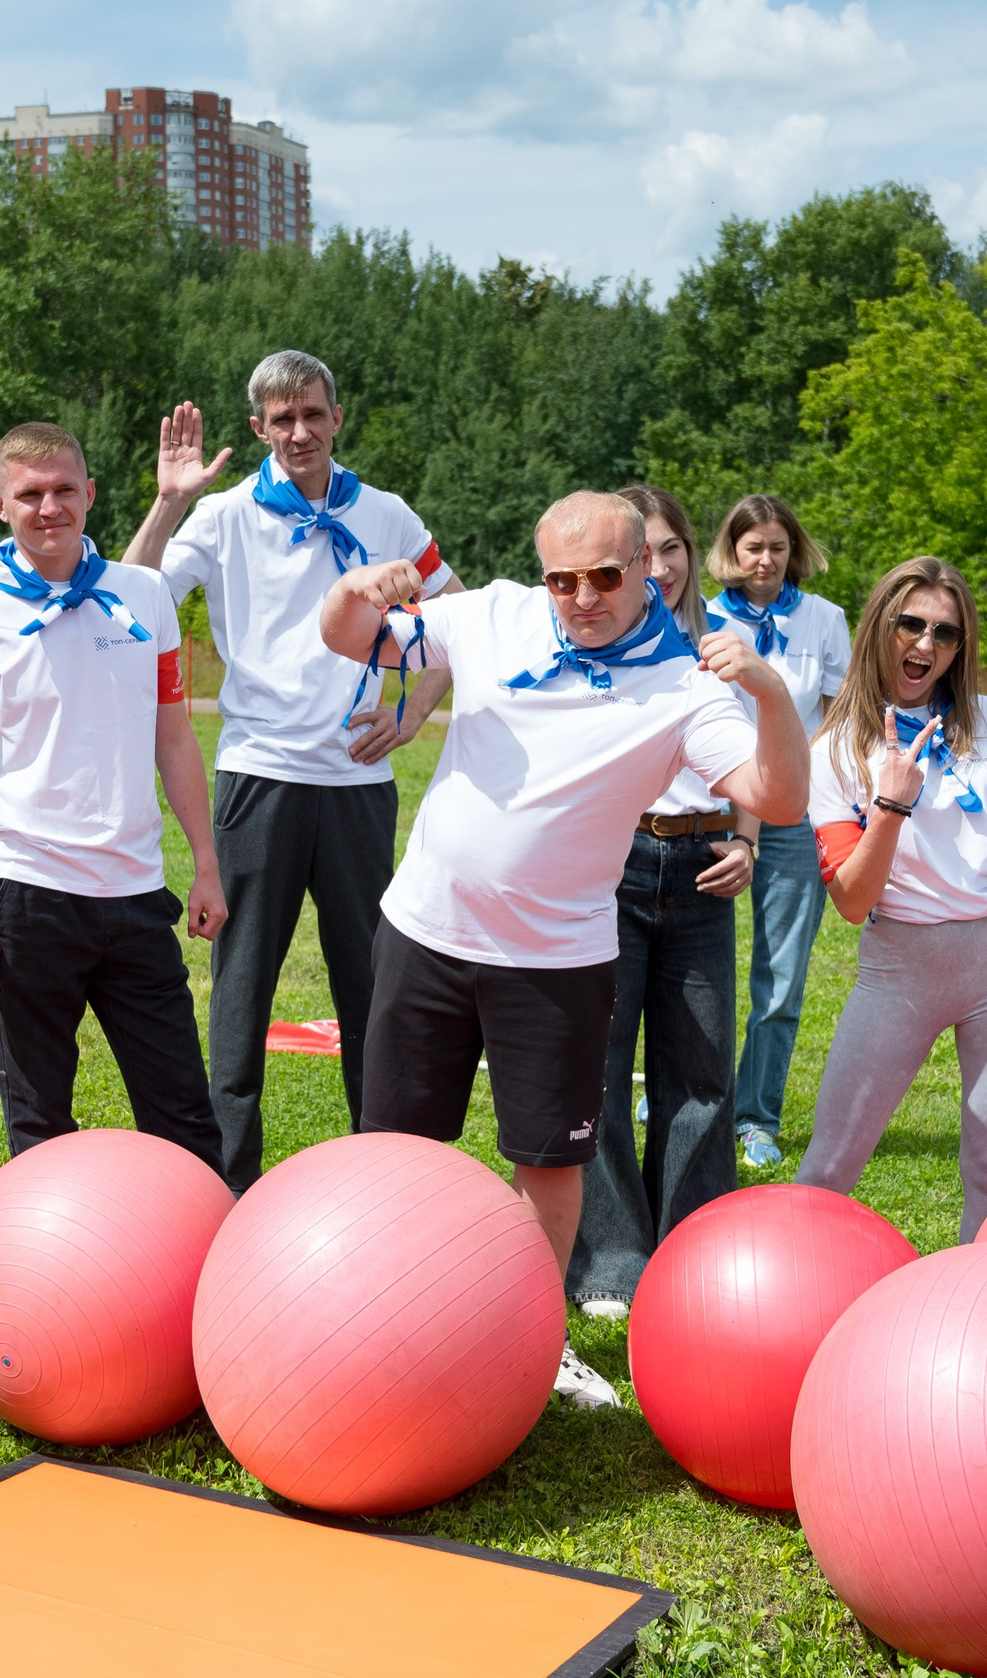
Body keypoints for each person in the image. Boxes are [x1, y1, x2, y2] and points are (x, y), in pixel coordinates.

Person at [319, 490, 809, 1408]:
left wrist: (770, 689)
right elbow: (351, 637)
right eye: (563, 578)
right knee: (393, 1148)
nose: (582, 596)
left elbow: (778, 799)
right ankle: (377, 1321)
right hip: (425, 931)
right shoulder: (496, 612)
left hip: (556, 962)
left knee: (548, 1161)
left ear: (648, 570)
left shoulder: (684, 685)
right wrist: (357, 587)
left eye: (605, 576)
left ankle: (533, 1345)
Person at [121, 354, 459, 1190]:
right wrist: (171, 501)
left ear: (338, 416)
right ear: (258, 429)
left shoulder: (385, 512)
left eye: (312, 413)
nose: (299, 432)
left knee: (371, 993)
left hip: (356, 785)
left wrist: (413, 711)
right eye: (282, 419)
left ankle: (378, 1181)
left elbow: (459, 617)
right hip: (258, 777)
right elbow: (128, 597)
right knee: (239, 999)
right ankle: (225, 1190)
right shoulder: (227, 515)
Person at [0, 421, 226, 1179]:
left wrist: (207, 863)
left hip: (135, 897)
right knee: (40, 1123)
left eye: (63, 490)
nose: (48, 507)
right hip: (27, 900)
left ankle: (210, 1286)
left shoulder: (142, 593)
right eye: (29, 494)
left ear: (90, 493)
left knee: (184, 1114)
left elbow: (175, 739)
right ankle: (44, 1291)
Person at [794, 556, 987, 1242]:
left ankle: (979, 1327)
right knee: (831, 1164)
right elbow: (851, 899)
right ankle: (787, 1325)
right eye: (911, 624)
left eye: (946, 633)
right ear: (880, 626)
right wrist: (890, 806)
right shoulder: (835, 750)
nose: (926, 645)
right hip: (901, 968)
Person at [566, 487, 758, 1319]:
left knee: (703, 1072)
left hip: (704, 863)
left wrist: (746, 841)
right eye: (644, 552)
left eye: (673, 546)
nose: (662, 564)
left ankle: (693, 1252)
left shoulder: (728, 646)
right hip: (614, 861)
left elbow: (755, 759)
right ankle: (612, 1259)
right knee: (599, 1068)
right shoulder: (588, 643)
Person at [705, 496, 851, 1171]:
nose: (764, 560)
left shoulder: (825, 620)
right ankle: (691, 1088)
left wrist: (807, 790)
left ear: (794, 551)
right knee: (693, 973)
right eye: (752, 547)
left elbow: (837, 720)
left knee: (781, 978)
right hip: (711, 810)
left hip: (794, 813)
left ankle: (756, 1115)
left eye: (777, 548)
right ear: (730, 551)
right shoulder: (702, 616)